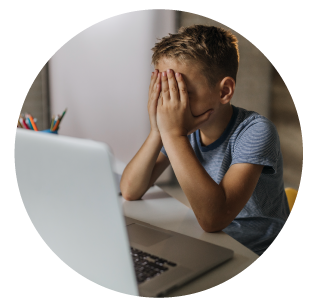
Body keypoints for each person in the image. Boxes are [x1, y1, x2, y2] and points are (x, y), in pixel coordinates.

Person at [120, 24, 290, 257]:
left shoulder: (256, 131)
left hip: (253, 251)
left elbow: (213, 219)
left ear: (224, 91)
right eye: (164, 92)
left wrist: (173, 134)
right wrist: (158, 130)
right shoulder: (184, 130)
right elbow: (130, 189)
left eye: (181, 93)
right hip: (212, 242)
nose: (169, 105)